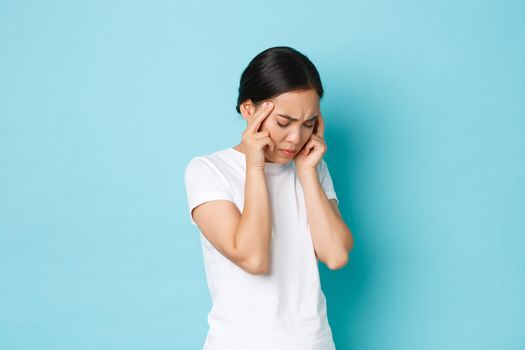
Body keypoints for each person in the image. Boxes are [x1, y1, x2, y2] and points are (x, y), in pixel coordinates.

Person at [184, 46, 354, 350]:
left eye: (308, 123)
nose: (296, 138)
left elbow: (336, 255)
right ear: (250, 110)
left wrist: (306, 173)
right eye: (284, 122)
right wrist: (255, 165)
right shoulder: (209, 170)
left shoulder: (313, 168)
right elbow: (253, 257)